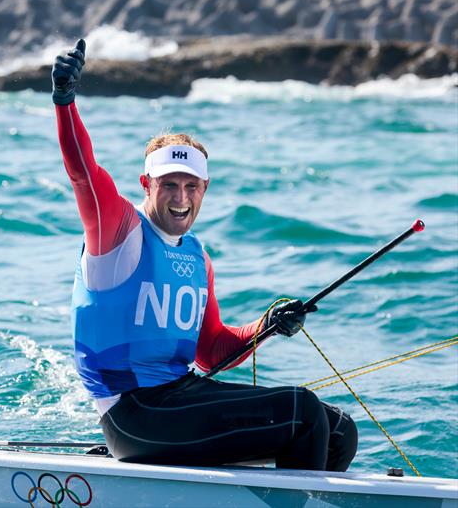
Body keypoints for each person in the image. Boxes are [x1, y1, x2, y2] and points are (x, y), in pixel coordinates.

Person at [53, 39, 357, 471]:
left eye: (191, 186)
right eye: (169, 185)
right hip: (134, 415)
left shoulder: (197, 257)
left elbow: (212, 351)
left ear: (205, 189)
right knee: (302, 412)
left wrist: (267, 325)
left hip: (182, 396)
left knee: (339, 430)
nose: (181, 197)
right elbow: (83, 173)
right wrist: (65, 101)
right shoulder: (118, 231)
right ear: (146, 185)